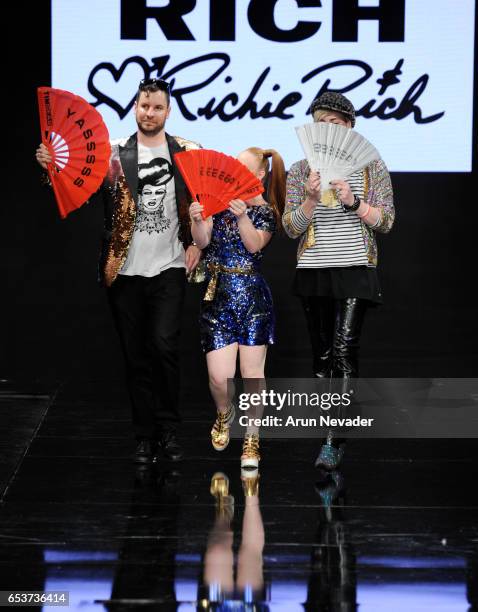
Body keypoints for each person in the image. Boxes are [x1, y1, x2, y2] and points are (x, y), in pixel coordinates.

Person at [36, 78, 202, 464]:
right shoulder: (111, 156)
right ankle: (144, 435)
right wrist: (49, 167)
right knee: (135, 355)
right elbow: (71, 184)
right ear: (135, 107)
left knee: (164, 347)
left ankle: (169, 431)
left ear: (168, 110)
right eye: (144, 106)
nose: (150, 113)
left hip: (170, 266)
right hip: (123, 269)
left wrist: (196, 243)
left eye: (157, 107)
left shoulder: (188, 153)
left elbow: (203, 200)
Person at [282, 92, 395, 470]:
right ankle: (336, 416)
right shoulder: (300, 169)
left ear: (349, 127)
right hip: (314, 267)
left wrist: (353, 201)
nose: (327, 129)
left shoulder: (370, 166)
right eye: (320, 122)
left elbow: (387, 221)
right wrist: (311, 200)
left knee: (344, 351)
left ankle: (334, 438)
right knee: (322, 359)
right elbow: (289, 228)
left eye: (335, 123)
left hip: (355, 266)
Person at [189, 148, 286, 468]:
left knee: (252, 374)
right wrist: (197, 219)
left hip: (252, 298)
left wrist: (242, 214)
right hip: (217, 295)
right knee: (219, 377)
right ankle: (223, 412)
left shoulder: (265, 211)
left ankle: (252, 437)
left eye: (243, 168)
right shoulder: (217, 204)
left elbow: (254, 244)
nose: (235, 172)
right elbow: (202, 242)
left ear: (258, 175)